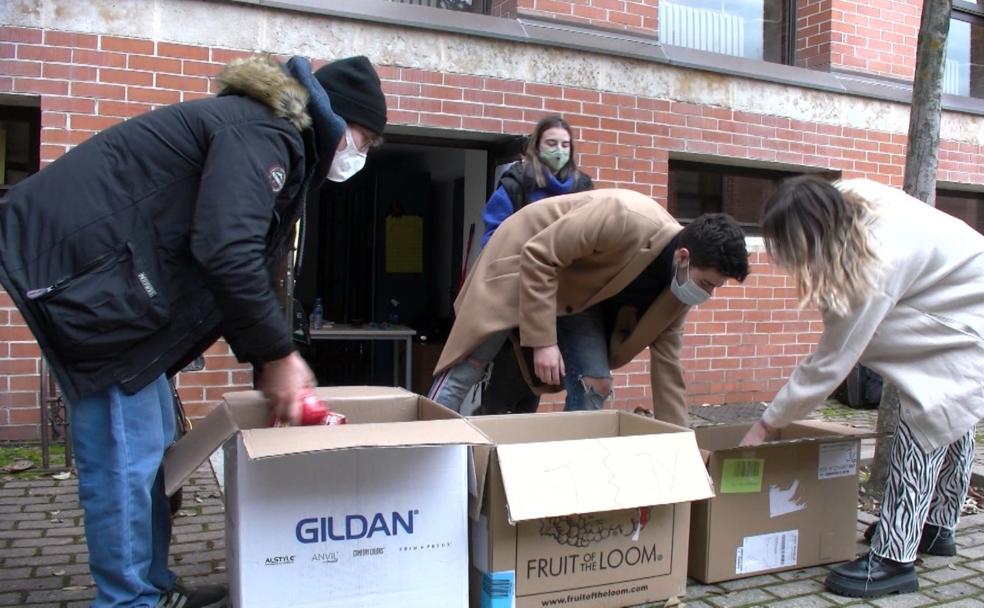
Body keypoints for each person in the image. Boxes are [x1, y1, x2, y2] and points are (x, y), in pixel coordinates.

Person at [0, 54, 387, 608]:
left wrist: (266, 362)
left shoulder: (272, 136)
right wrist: (277, 355)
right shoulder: (265, 133)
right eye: (365, 138)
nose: (361, 155)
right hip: (93, 291)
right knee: (124, 460)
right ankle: (128, 600)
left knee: (154, 445)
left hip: (116, 291)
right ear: (337, 116)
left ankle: (152, 586)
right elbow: (226, 251)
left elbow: (247, 259)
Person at [739, 176, 984, 599]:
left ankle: (894, 559)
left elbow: (829, 363)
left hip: (968, 318)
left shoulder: (872, 269)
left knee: (927, 419)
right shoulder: (853, 194)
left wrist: (764, 425)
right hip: (966, 289)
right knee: (952, 414)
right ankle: (938, 529)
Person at [429, 188, 749, 427]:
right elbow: (539, 254)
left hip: (578, 299)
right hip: (523, 263)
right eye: (707, 283)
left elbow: (668, 372)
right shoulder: (623, 216)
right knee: (471, 364)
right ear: (683, 257)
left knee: (595, 384)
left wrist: (681, 452)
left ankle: (569, 467)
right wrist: (544, 341)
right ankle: (424, 441)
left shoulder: (676, 295)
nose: (707, 294)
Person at [480, 115, 594, 415]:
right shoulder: (516, 183)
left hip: (565, 296)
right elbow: (493, 238)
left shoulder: (583, 187)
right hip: (516, 292)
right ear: (537, 146)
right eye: (552, 143)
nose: (559, 150)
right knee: (509, 375)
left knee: (542, 380)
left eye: (565, 144)